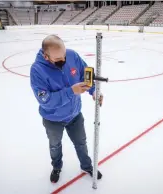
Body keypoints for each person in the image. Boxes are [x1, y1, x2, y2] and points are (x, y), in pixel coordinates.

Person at [30, 35, 103, 183]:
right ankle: (57, 166)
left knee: (81, 142)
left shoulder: (72, 55)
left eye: (64, 55)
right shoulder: (37, 70)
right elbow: (46, 101)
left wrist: (94, 90)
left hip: (75, 115)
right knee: (55, 145)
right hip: (53, 119)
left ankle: (87, 165)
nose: (63, 60)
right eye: (58, 59)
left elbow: (85, 74)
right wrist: (71, 91)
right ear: (46, 56)